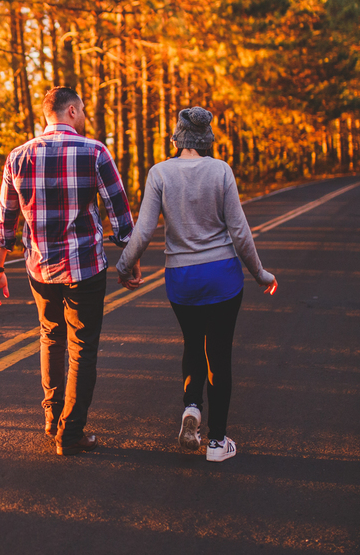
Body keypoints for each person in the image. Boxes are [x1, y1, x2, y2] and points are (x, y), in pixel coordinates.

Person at [115, 107, 278, 463]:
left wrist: (125, 266)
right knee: (218, 354)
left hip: (182, 280)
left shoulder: (159, 173)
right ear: (206, 141)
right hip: (222, 277)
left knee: (192, 343)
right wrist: (260, 274)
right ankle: (217, 444)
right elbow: (239, 231)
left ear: (177, 139)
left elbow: (143, 230)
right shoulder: (220, 171)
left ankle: (192, 408)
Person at [0, 86, 134, 456]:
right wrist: (129, 259)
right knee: (82, 348)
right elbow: (119, 212)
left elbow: (4, 219)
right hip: (85, 266)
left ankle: (53, 419)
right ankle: (71, 433)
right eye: (81, 110)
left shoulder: (17, 157)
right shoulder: (94, 151)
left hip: (40, 267)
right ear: (70, 111)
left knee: (50, 338)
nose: (83, 116)